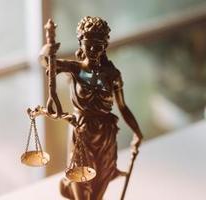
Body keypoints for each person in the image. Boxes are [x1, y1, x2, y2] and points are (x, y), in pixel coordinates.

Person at [39, 16, 144, 199]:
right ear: (81, 43)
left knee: (98, 190)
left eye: (99, 45)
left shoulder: (112, 74)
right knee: (80, 185)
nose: (94, 50)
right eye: (89, 45)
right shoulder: (75, 68)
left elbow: (123, 107)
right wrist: (47, 49)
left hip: (105, 137)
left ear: (105, 45)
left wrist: (137, 131)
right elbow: (47, 63)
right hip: (81, 134)